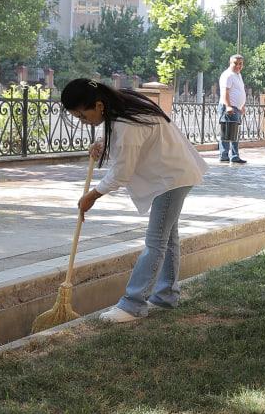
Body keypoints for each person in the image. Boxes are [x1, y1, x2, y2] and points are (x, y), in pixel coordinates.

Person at [61, 79, 208, 322]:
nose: (83, 121)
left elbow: (122, 171)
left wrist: (92, 195)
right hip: (173, 174)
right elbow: (130, 144)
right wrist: (103, 144)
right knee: (167, 239)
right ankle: (165, 296)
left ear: (98, 105)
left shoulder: (124, 122)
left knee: (155, 242)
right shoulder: (123, 106)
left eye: (82, 115)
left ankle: (133, 304)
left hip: (171, 178)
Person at [218, 54, 247, 164]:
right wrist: (228, 106)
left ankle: (234, 156)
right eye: (236, 63)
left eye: (240, 64)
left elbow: (239, 91)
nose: (238, 66)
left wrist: (242, 106)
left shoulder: (238, 75)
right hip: (228, 108)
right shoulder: (228, 75)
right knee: (226, 132)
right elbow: (225, 92)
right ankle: (224, 156)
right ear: (230, 63)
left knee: (234, 132)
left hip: (236, 108)